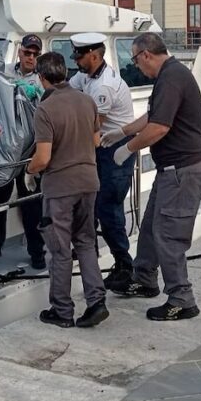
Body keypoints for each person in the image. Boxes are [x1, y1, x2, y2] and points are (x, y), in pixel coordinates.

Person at [101, 33, 201, 322]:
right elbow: (151, 116)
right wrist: (121, 132)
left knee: (168, 235)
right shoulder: (168, 76)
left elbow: (159, 128)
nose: (136, 67)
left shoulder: (171, 78)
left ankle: (182, 299)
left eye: (135, 59)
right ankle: (144, 278)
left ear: (146, 54)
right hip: (171, 171)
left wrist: (127, 149)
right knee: (150, 228)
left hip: (183, 171)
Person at [26, 52, 109, 329]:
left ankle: (62, 310)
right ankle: (97, 302)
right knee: (86, 243)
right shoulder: (86, 101)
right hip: (89, 182)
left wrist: (28, 170)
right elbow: (96, 141)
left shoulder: (45, 110)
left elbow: (43, 158)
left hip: (60, 188)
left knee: (60, 251)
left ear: (41, 77)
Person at [68, 32, 136, 286]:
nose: (75, 59)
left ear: (94, 56)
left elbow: (94, 126)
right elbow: (69, 88)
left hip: (113, 150)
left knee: (109, 209)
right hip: (100, 149)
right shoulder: (87, 74)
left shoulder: (103, 86)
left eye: (79, 55)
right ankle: (88, 248)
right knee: (89, 201)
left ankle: (124, 266)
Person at [0, 34, 46, 268]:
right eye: (28, 52)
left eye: (36, 54)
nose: (31, 57)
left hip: (30, 151)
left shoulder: (42, 80)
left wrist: (38, 97)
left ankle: (37, 251)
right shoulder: (3, 71)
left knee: (31, 203)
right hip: (4, 149)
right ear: (19, 51)